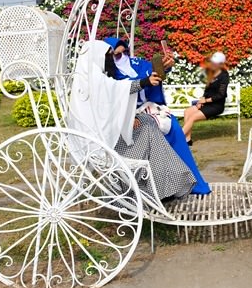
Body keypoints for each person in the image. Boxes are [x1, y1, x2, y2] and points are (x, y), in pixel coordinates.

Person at [68, 40, 197, 200]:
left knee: (148, 123)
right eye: (109, 55)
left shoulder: (93, 77)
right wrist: (145, 82)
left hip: (109, 133)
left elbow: (113, 99)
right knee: (150, 129)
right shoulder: (93, 79)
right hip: (103, 144)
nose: (112, 59)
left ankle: (165, 185)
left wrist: (130, 116)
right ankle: (166, 185)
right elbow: (120, 89)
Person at [103, 37, 211, 195]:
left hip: (151, 110)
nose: (124, 57)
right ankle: (157, 188)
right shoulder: (107, 75)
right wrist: (127, 116)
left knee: (174, 128)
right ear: (109, 57)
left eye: (125, 52)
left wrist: (165, 66)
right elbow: (113, 98)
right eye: (118, 55)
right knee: (149, 130)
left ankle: (189, 182)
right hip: (128, 116)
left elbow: (152, 70)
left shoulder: (136, 63)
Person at [182, 52, 230, 145]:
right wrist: (201, 101)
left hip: (216, 105)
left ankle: (177, 139)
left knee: (192, 117)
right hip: (206, 103)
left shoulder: (224, 76)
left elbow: (221, 95)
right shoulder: (211, 73)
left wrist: (206, 100)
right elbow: (207, 90)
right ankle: (187, 140)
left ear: (221, 64)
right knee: (187, 112)